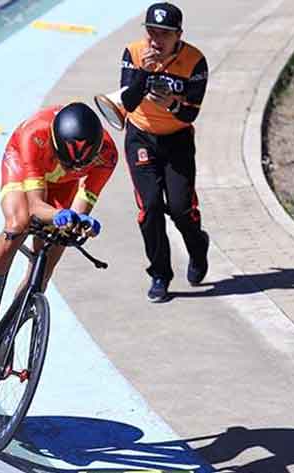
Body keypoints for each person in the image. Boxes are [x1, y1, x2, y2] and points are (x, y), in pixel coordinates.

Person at [0, 102, 118, 341]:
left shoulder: (107, 155)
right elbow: (34, 205)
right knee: (18, 224)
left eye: (80, 166)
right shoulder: (35, 135)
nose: (71, 167)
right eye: (67, 161)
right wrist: (57, 215)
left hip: (62, 184)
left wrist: (81, 223)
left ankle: (10, 329)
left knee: (58, 242)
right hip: (23, 166)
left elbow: (82, 207)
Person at [118, 2, 210, 303]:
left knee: (182, 210)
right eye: (151, 32)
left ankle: (198, 247)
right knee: (151, 207)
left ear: (178, 35)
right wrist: (144, 72)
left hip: (177, 139)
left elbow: (189, 115)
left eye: (164, 34)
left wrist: (170, 103)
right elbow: (128, 102)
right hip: (141, 137)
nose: (156, 40)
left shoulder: (195, 61)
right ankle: (160, 273)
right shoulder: (133, 53)